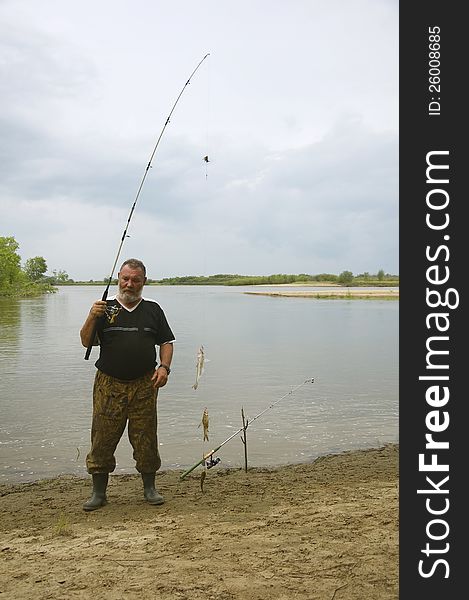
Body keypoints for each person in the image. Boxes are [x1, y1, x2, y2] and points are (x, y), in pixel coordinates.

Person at [80, 258, 175, 511]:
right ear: (119, 278)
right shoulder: (104, 309)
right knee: (102, 437)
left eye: (135, 280)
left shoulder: (153, 310)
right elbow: (85, 341)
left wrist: (164, 368)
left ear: (144, 282)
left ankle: (149, 489)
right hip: (108, 384)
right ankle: (99, 493)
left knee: (145, 437)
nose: (129, 284)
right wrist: (91, 316)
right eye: (125, 278)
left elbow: (166, 342)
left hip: (145, 384)